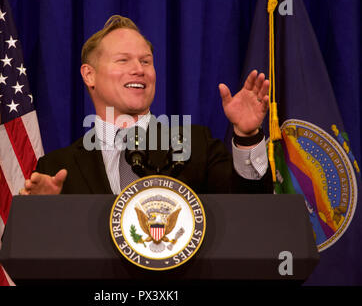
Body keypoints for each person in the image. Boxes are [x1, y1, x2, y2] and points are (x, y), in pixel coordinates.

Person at [19, 15, 273, 196]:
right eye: (123, 60)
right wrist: (46, 215)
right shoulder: (56, 169)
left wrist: (248, 137)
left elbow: (249, 211)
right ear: (89, 75)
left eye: (145, 61)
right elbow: (34, 257)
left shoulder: (197, 146)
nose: (138, 70)